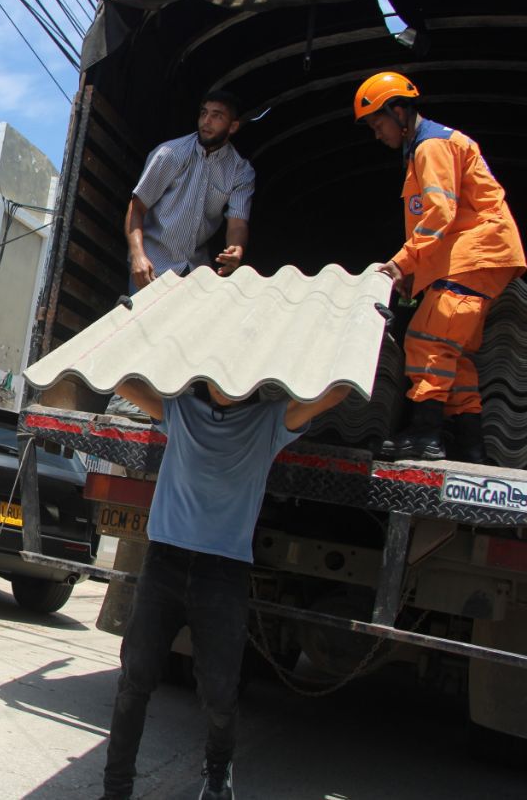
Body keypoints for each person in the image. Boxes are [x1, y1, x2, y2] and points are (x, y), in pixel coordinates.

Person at [98, 379, 349, 800]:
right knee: (135, 679)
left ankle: (217, 776)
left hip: (223, 571)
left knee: (218, 690)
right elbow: (121, 378)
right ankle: (115, 789)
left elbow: (338, 392)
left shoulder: (270, 420)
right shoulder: (179, 410)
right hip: (166, 563)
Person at [355, 71, 526, 462]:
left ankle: (425, 436)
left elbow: (439, 215)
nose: (377, 134)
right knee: (454, 353)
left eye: (377, 123)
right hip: (477, 257)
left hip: (475, 253)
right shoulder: (430, 146)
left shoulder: (431, 147)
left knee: (427, 341)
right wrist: (415, 273)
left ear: (398, 111)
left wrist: (400, 265)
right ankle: (471, 446)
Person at [125, 90, 255, 291]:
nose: (206, 121)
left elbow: (237, 223)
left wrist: (236, 249)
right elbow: (137, 207)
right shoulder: (170, 154)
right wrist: (137, 257)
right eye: (204, 113)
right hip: (151, 268)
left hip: (196, 274)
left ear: (233, 126)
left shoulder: (240, 171)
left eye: (217, 116)